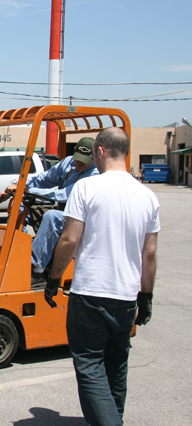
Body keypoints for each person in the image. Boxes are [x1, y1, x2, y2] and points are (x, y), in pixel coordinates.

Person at [45, 127, 160, 426]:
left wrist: (54, 279)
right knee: (116, 366)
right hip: (126, 297)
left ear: (100, 151)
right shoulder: (148, 196)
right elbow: (149, 254)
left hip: (91, 295)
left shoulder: (87, 188)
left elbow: (70, 240)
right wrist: (146, 297)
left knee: (90, 367)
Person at [0, 137, 99, 284]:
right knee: (19, 206)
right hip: (65, 213)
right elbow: (42, 180)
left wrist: (27, 190)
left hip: (80, 218)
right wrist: (17, 188)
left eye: (84, 160)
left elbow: (63, 195)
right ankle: (18, 251)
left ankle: (37, 270)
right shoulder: (68, 163)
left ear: (94, 158)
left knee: (52, 216)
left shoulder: (95, 174)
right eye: (78, 158)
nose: (79, 163)